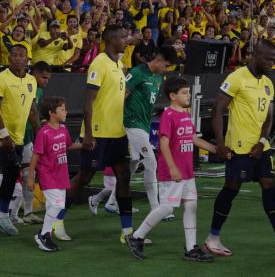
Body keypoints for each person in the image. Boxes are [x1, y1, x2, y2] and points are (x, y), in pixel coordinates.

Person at [205, 40, 275, 257]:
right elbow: (217, 110)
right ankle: (212, 238)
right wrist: (220, 144)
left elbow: (269, 119)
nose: (273, 64)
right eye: (269, 59)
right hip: (238, 149)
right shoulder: (237, 77)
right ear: (255, 55)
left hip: (260, 149)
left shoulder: (268, 83)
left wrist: (262, 142)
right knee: (231, 188)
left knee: (270, 186)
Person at [125, 76, 216, 262]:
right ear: (173, 96)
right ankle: (136, 237)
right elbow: (163, 144)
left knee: (191, 206)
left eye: (188, 92)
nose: (188, 95)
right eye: (184, 93)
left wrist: (215, 149)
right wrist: (173, 168)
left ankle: (191, 249)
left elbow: (192, 138)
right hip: (173, 172)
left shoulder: (184, 114)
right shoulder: (168, 115)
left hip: (187, 172)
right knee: (167, 207)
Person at [89, 46, 177, 217]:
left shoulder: (158, 77)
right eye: (166, 65)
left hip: (144, 124)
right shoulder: (137, 73)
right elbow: (120, 95)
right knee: (151, 162)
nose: (166, 69)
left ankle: (104, 200)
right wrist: (117, 119)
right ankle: (156, 208)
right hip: (131, 123)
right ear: (158, 60)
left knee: (132, 166)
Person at [67, 25, 132, 243]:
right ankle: (55, 221)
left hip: (117, 133)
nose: (127, 39)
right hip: (98, 133)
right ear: (111, 39)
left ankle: (127, 231)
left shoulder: (119, 64)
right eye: (123, 36)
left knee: (124, 176)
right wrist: (87, 134)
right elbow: (89, 102)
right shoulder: (99, 63)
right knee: (84, 177)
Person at [0, 44, 39, 236]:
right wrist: (4, 135)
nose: (17, 58)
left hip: (18, 138)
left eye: (21, 55)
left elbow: (32, 109)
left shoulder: (31, 81)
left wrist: (39, 131)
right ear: (8, 58)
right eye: (14, 55)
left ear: (27, 59)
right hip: (1, 139)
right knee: (10, 175)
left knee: (10, 177)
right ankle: (2, 216)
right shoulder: (1, 79)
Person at [28, 96, 81, 252]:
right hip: (47, 175)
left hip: (61, 174)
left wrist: (84, 145)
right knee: (58, 205)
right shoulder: (44, 133)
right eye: (62, 109)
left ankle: (46, 235)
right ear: (52, 113)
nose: (66, 111)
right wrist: (31, 177)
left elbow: (68, 146)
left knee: (53, 206)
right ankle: (43, 234)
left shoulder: (63, 129)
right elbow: (36, 156)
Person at [14, 61, 51, 225]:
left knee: (29, 172)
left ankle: (26, 212)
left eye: (48, 78)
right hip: (16, 134)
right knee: (10, 176)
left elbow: (35, 112)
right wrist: (39, 132)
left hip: (27, 134)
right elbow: (30, 111)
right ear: (34, 73)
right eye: (43, 77)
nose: (46, 81)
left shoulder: (39, 89)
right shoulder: (27, 84)